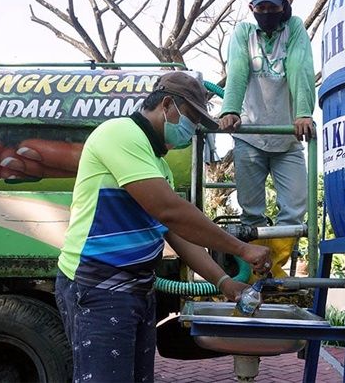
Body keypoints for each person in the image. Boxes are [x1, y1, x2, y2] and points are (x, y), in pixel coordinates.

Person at [55, 71, 272, 383]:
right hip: (98, 287)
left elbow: (175, 232)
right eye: (191, 118)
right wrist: (240, 248)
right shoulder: (120, 134)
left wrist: (225, 282)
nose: (192, 129)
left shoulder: (158, 165)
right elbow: (170, 212)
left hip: (137, 291)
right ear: (168, 104)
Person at [219, 0, 315, 279]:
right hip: (251, 134)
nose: (266, 12)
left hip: (288, 136)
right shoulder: (244, 33)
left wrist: (303, 113)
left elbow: (300, 66)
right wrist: (230, 109)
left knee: (295, 208)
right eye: (260, 7)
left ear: (283, 7)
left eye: (272, 7)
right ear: (252, 8)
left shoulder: (294, 29)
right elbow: (236, 71)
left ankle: (272, 270)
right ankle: (257, 275)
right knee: (252, 211)